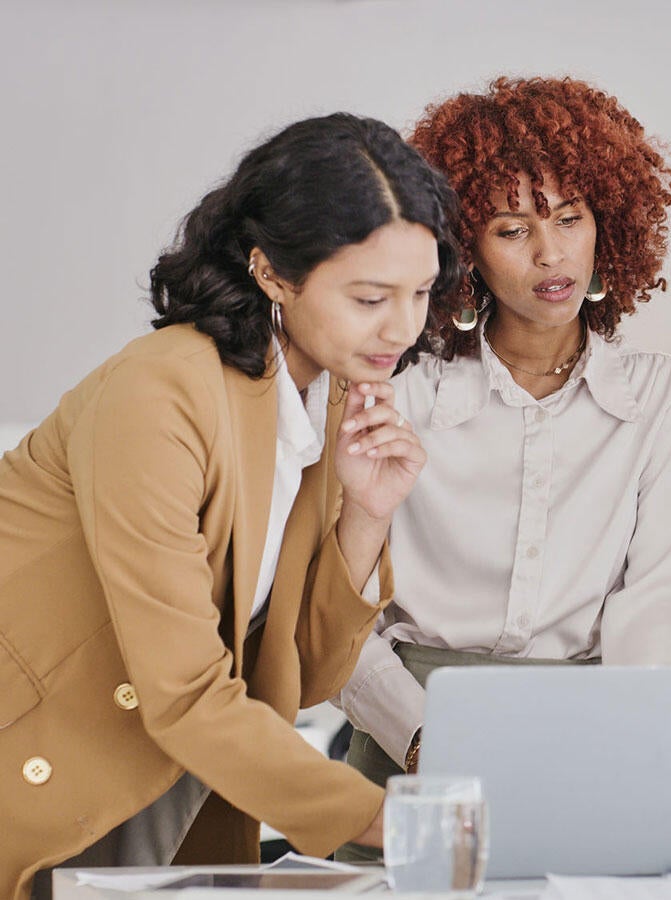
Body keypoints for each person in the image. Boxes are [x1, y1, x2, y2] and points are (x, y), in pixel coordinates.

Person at [0, 112, 464, 899]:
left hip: (168, 788)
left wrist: (367, 513)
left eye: (420, 292)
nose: (403, 327)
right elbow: (183, 692)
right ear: (272, 272)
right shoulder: (160, 393)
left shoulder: (325, 397)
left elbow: (301, 677)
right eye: (369, 297)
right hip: (48, 770)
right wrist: (386, 820)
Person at [334, 76, 671, 855]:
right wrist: (424, 741)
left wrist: (621, 752)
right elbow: (335, 615)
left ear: (608, 223)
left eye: (570, 218)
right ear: (463, 248)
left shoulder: (665, 399)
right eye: (512, 229)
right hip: (404, 748)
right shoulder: (392, 394)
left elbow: (660, 606)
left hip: (591, 751)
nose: (551, 252)